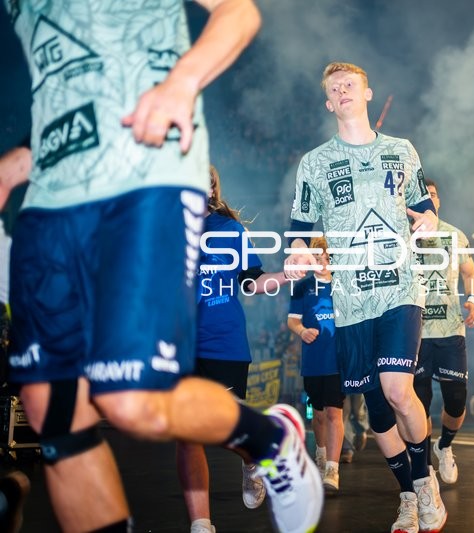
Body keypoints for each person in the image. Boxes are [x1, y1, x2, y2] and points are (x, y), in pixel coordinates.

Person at [2, 3, 323, 532]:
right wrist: (19, 161)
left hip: (143, 173)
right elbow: (66, 82)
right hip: (51, 194)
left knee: (132, 402)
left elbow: (237, 11)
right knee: (51, 411)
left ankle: (271, 440)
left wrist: (183, 81)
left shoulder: (226, 230)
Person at [285, 62, 446, 533]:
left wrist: (431, 217)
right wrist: (296, 252)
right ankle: (409, 496)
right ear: (329, 104)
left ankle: (425, 483)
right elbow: (299, 229)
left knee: (399, 390)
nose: (342, 90)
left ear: (367, 93)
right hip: (350, 300)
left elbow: (422, 205)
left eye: (350, 84)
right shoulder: (314, 162)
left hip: (399, 288)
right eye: (335, 88)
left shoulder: (401, 150)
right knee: (377, 412)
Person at [178, 165, 292, 533]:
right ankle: (201, 524)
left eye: (209, 182)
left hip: (223, 342)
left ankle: (252, 458)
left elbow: (253, 282)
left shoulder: (230, 230)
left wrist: (287, 275)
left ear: (213, 190)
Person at [413, 179, 474, 486]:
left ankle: (445, 446)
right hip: (415, 333)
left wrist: (473, 300)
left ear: (437, 201)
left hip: (451, 329)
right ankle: (424, 463)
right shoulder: (403, 237)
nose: (429, 199)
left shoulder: (454, 235)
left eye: (433, 194)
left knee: (456, 400)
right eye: (423, 195)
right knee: (420, 401)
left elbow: (470, 273)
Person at [287, 236, 345, 494]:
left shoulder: (344, 285)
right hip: (312, 362)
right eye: (317, 258)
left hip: (338, 362)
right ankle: (321, 455)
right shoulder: (301, 288)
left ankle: (332, 469)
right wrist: (302, 332)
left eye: (326, 257)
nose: (322, 262)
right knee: (319, 414)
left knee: (335, 413)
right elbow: (293, 321)